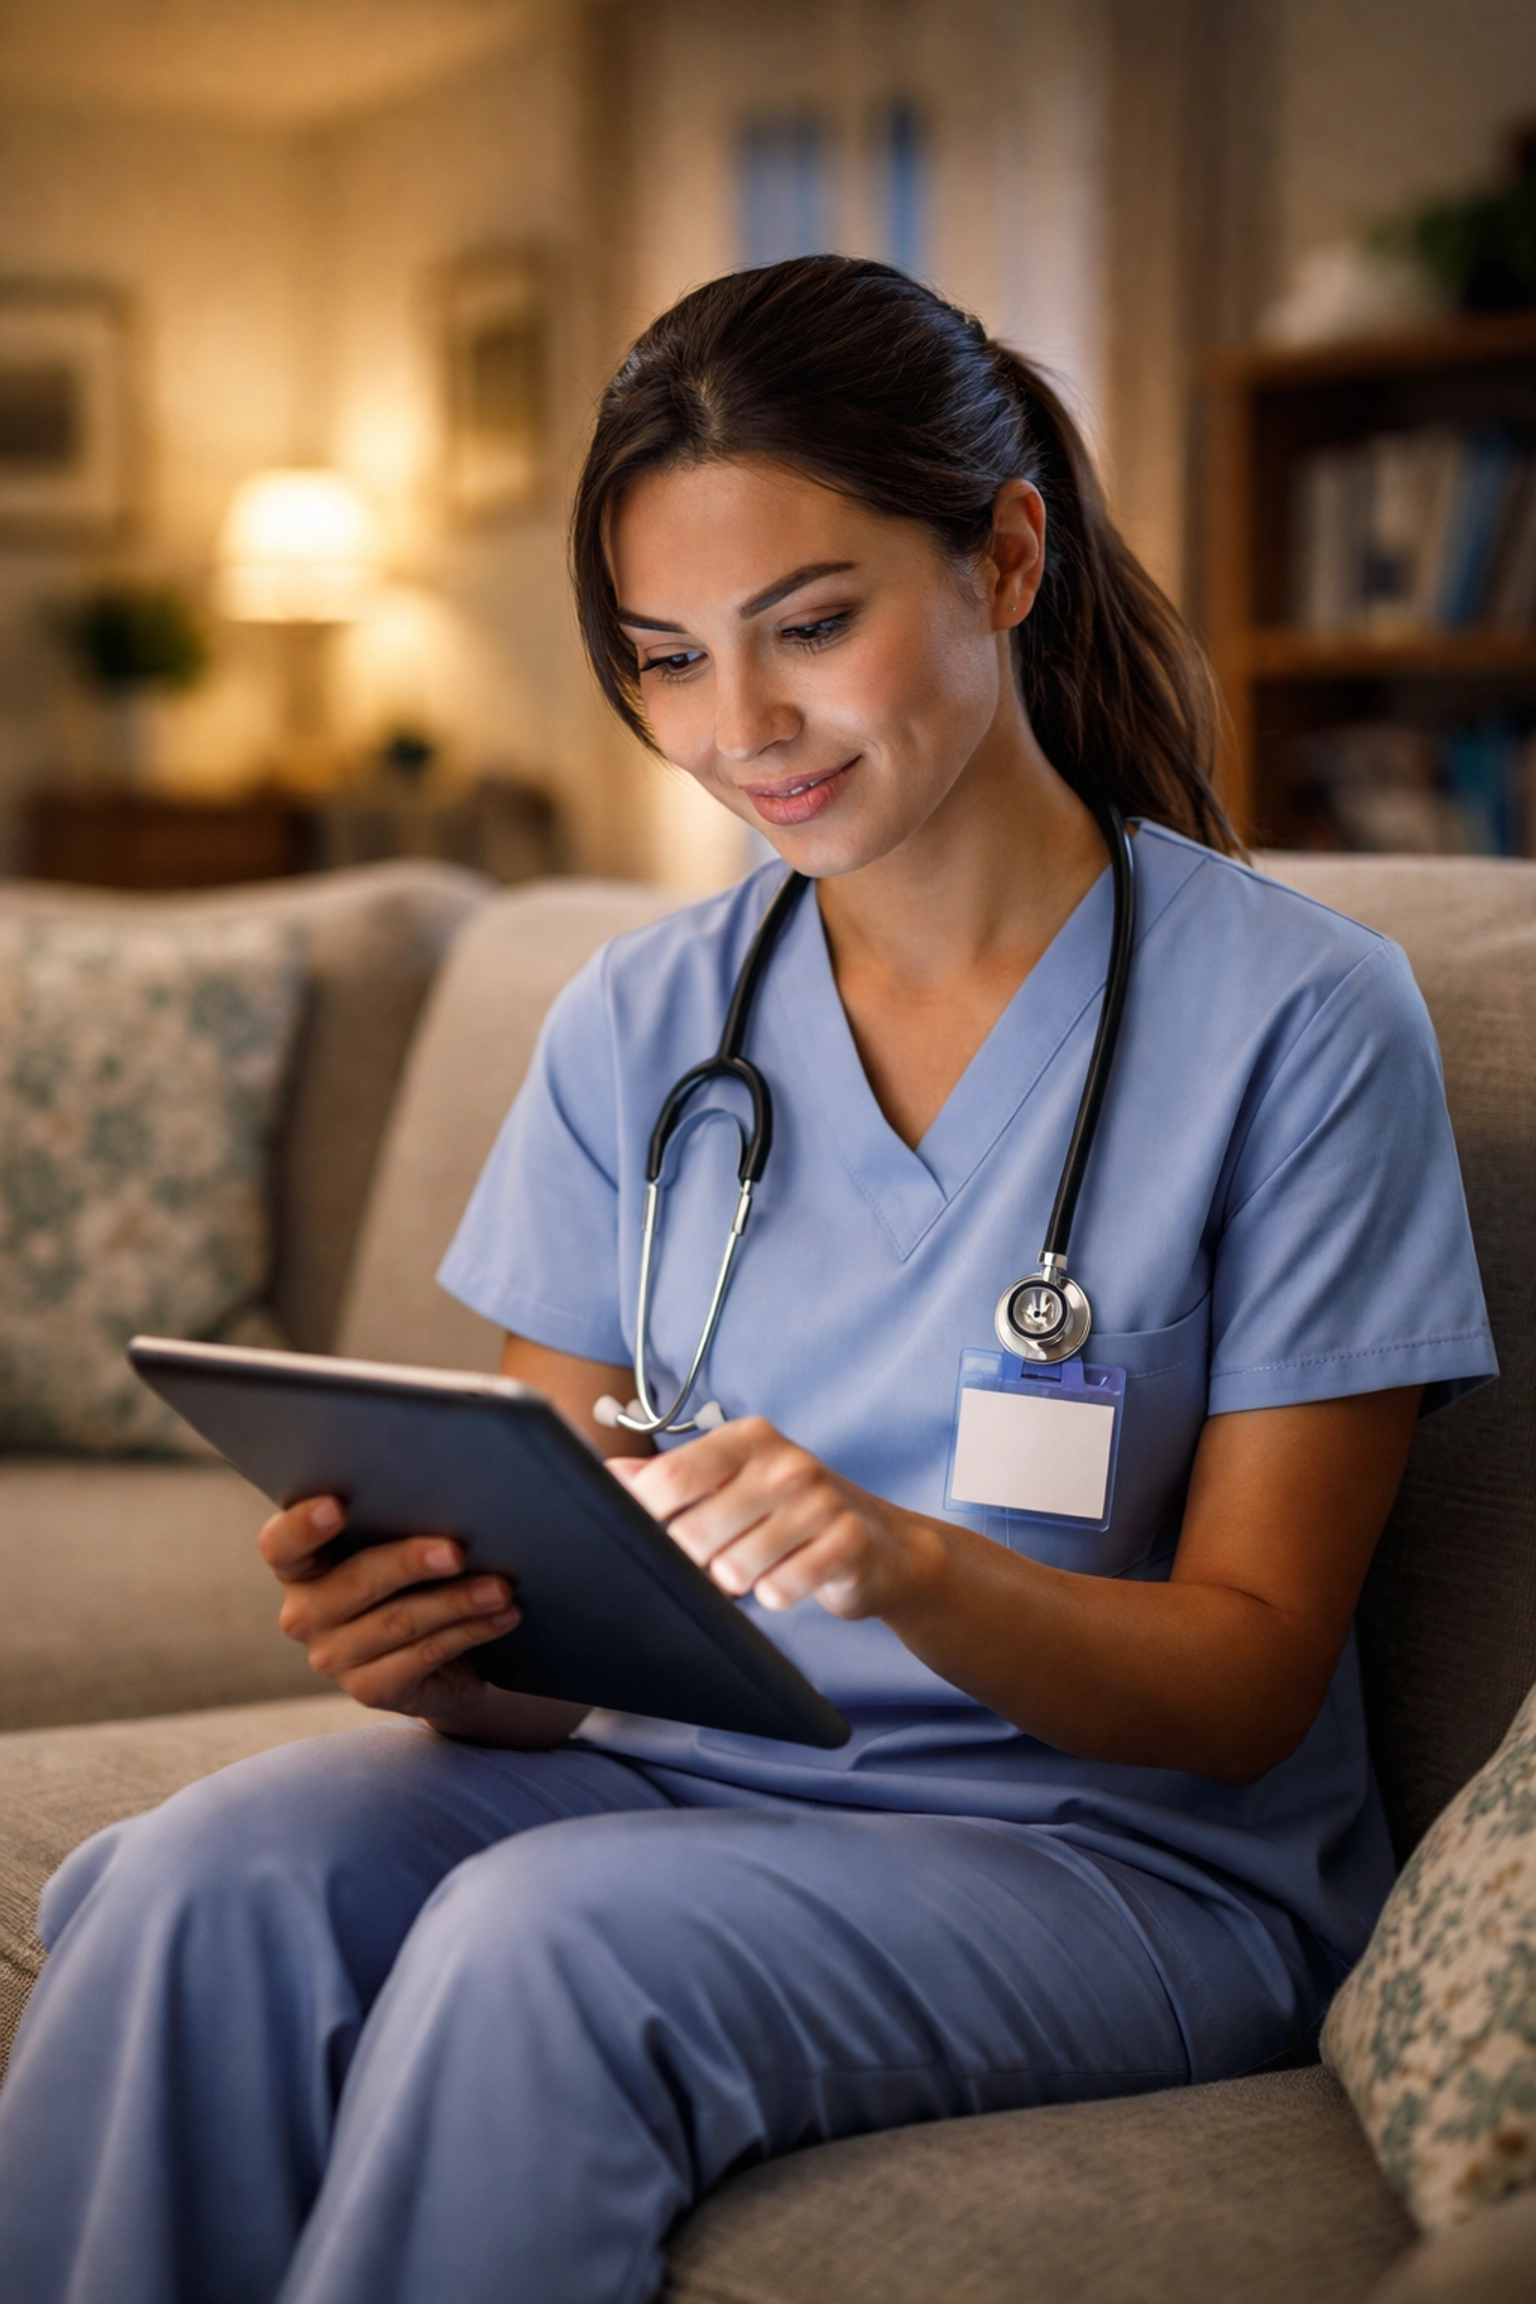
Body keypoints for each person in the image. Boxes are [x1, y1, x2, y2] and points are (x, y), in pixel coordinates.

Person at [0, 255, 1495, 2304]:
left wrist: (905, 1562)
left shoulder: (1302, 1023)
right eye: (671, 659)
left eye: (809, 627)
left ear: (1007, 557)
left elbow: (1245, 1690)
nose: (743, 730)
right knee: (203, 1879)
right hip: (675, 1774)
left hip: (1119, 1859)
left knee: (544, 1950)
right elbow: (556, 1620)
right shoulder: (642, 1021)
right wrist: (432, 1641)